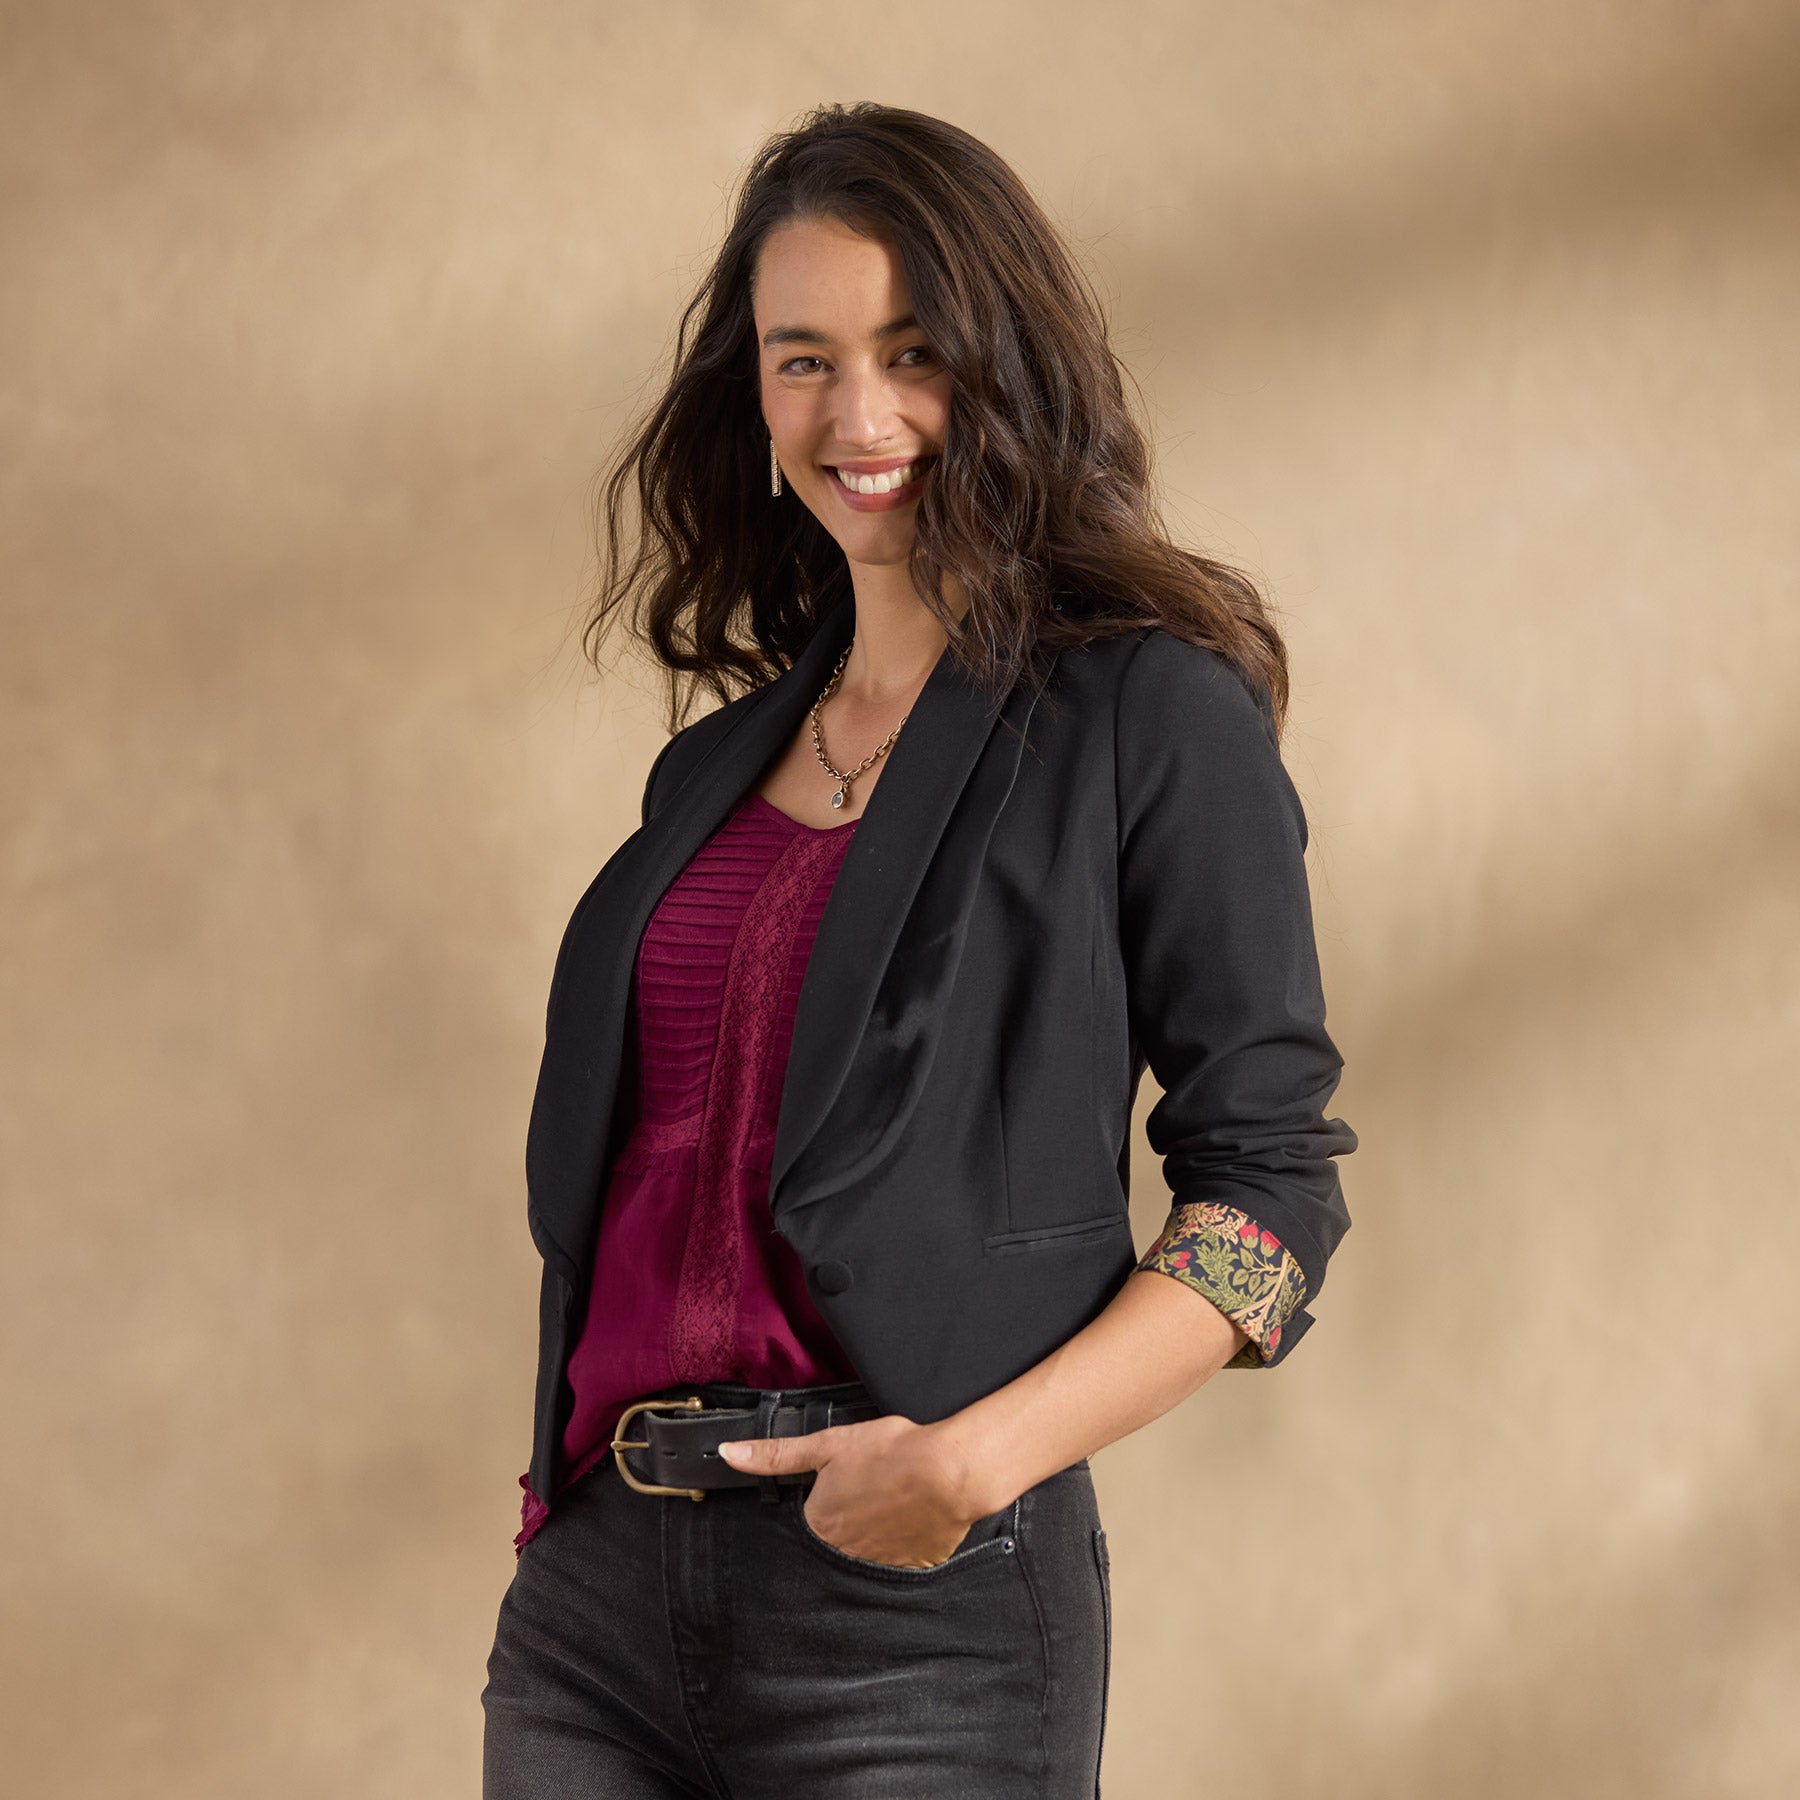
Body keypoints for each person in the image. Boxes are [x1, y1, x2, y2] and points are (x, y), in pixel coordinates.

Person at [481, 101, 1356, 1799]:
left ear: (1006, 367)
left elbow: (1269, 1203)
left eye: (914, 353)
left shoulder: (1148, 715)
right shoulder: (709, 775)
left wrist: (975, 1465)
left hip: (918, 1615)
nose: (858, 417)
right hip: (597, 1617)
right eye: (803, 360)